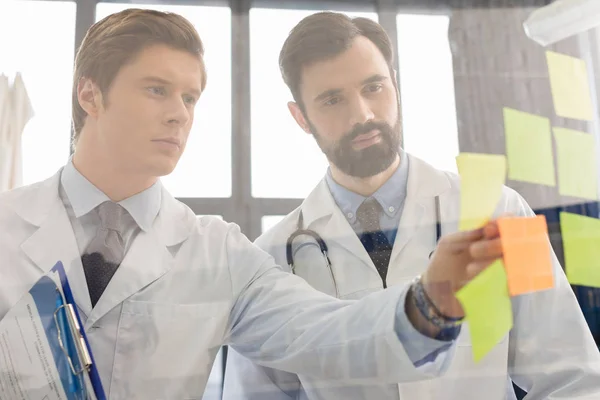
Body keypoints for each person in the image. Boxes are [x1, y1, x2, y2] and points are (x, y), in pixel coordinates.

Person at [0, 9, 505, 399]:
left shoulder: (220, 253)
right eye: (157, 90)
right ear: (90, 95)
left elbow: (328, 333)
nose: (180, 115)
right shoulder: (7, 226)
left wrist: (428, 305)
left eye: (191, 98)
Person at [222, 11, 600, 400]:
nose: (363, 114)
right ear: (300, 117)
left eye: (374, 87)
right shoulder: (269, 258)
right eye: (333, 99)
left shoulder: (504, 211)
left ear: (395, 86)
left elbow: (571, 375)